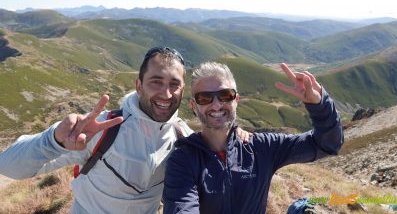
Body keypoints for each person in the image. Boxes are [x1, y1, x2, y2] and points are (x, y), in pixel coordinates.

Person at [0, 47, 253, 214]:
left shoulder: (182, 137)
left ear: (183, 90)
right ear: (139, 85)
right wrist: (53, 140)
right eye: (156, 82)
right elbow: (8, 166)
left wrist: (235, 135)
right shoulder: (101, 128)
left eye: (174, 85)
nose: (166, 94)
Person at [163, 62, 344, 214]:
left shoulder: (262, 147)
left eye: (225, 95)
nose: (217, 105)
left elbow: (327, 144)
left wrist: (319, 105)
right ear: (194, 106)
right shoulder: (183, 160)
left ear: (236, 100)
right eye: (205, 98)